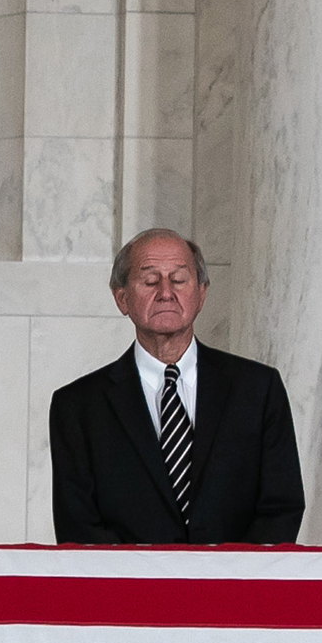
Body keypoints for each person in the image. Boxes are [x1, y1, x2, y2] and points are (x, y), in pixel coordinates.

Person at [49, 228, 305, 545]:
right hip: (129, 590)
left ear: (201, 293)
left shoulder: (258, 390)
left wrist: (227, 581)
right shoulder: (77, 406)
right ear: (121, 298)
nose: (166, 292)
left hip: (234, 588)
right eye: (150, 280)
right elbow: (77, 524)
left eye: (179, 279)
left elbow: (281, 507)